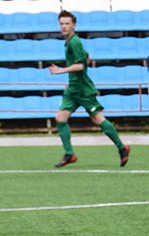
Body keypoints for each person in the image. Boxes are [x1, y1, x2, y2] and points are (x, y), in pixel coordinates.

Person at [50, 10, 129, 168]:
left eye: (67, 23)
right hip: (73, 89)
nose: (64, 26)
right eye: (61, 24)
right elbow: (87, 57)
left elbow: (80, 65)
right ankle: (70, 154)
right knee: (60, 117)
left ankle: (122, 148)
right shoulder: (70, 42)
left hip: (83, 90)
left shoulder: (74, 42)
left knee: (97, 119)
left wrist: (60, 70)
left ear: (73, 25)